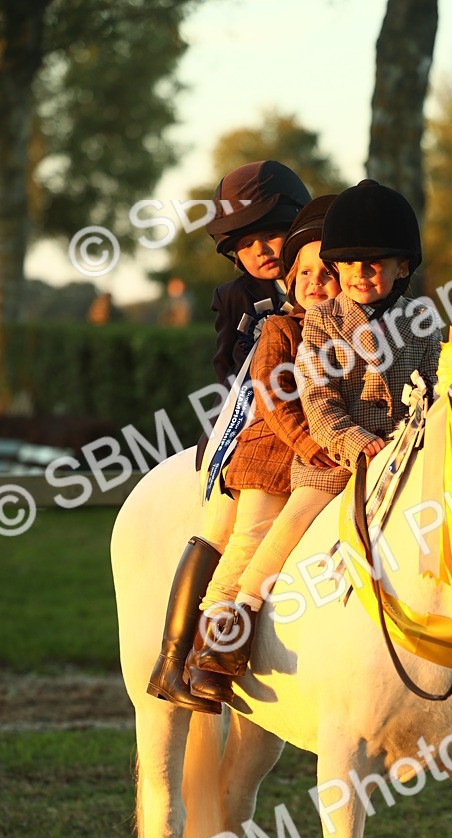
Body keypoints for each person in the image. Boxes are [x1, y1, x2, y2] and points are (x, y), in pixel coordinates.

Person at [193, 178, 443, 680]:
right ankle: (233, 620)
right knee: (281, 529)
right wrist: (354, 442)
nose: (362, 273)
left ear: (403, 267)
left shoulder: (424, 323)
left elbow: (435, 393)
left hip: (401, 458)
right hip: (332, 461)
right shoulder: (323, 321)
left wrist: (411, 440)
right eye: (350, 263)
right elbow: (318, 399)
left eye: (377, 261)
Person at [148, 160, 310, 713]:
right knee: (222, 529)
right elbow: (230, 367)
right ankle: (174, 660)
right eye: (246, 243)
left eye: (272, 234)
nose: (262, 249)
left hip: (324, 427)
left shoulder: (324, 281)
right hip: (248, 427)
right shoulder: (236, 298)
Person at [184, 194, 341, 702]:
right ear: (290, 284)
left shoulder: (355, 331)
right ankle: (210, 650)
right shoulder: (281, 327)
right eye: (304, 277)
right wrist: (303, 440)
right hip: (272, 453)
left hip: (333, 455)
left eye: (326, 275)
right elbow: (270, 395)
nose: (315, 286)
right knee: (247, 540)